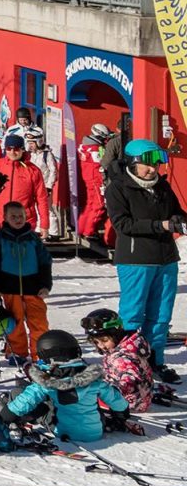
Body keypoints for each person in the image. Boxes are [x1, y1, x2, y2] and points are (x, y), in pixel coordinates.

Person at [104, 138, 186, 384]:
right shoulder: (118, 188)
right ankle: (126, 363)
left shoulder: (161, 185)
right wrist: (161, 225)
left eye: (157, 165)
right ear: (133, 162)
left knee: (161, 315)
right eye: (147, 165)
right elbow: (123, 224)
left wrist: (181, 220)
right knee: (133, 314)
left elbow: (176, 212)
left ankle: (155, 361)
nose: (153, 170)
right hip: (136, 259)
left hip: (166, 258)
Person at [0, 329, 128, 444]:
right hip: (95, 432)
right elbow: (120, 404)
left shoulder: (46, 382)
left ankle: (17, 418)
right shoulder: (94, 379)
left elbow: (22, 404)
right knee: (91, 401)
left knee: (20, 393)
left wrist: (1, 420)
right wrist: (120, 418)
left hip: (62, 431)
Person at [0, 200, 53, 361]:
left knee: (39, 322)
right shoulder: (0, 239)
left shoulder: (32, 238)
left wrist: (45, 285)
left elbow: (45, 262)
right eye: (13, 216)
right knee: (15, 324)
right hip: (10, 288)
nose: (18, 219)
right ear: (5, 217)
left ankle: (40, 353)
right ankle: (17, 352)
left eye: (21, 216)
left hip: (34, 287)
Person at [82, 308, 157, 429]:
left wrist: (101, 392)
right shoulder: (130, 342)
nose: (101, 346)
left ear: (116, 334)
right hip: (140, 394)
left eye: (104, 340)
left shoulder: (122, 359)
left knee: (84, 395)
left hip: (128, 402)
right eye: (96, 342)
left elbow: (128, 382)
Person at [0, 135, 49, 233]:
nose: (12, 152)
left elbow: (42, 198)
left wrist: (44, 225)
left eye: (16, 149)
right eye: (9, 149)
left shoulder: (33, 170)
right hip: (2, 221)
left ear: (22, 149)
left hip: (25, 221)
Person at [77, 123, 119, 259]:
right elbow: (104, 162)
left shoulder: (85, 145)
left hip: (88, 178)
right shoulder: (96, 149)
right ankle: (89, 231)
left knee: (90, 204)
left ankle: (82, 228)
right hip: (95, 179)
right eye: (104, 137)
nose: (106, 139)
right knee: (99, 205)